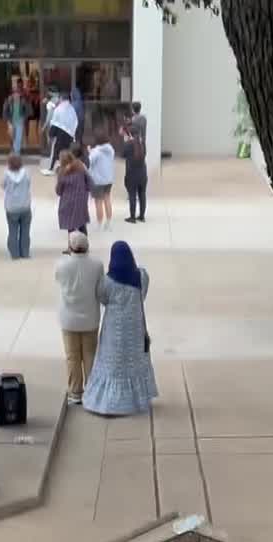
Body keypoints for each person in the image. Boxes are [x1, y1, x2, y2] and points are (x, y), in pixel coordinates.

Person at [83, 241, 158, 416]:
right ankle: (134, 401)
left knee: (113, 363)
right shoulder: (142, 277)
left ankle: (109, 402)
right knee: (133, 362)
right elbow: (142, 294)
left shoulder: (107, 281)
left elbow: (102, 297)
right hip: (135, 329)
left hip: (113, 330)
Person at [55, 231, 104, 404]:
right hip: (90, 318)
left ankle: (75, 392)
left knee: (72, 357)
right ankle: (91, 392)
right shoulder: (97, 265)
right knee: (90, 356)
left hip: (69, 320)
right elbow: (100, 288)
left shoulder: (61, 265)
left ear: (70, 247)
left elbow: (58, 280)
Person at [3, 154, 33, 259]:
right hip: (25, 206)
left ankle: (14, 254)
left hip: (11, 207)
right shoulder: (26, 173)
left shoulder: (6, 174)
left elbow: (3, 185)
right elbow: (29, 184)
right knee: (25, 231)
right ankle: (25, 253)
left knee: (13, 231)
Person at [56, 150, 91, 238]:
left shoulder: (62, 172)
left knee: (70, 225)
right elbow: (89, 181)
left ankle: (72, 244)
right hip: (81, 199)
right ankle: (84, 242)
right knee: (81, 223)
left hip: (68, 201)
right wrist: (85, 191)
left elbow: (59, 190)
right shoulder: (80, 167)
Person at [44, 93, 78, 175]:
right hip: (69, 134)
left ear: (61, 98)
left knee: (55, 152)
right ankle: (67, 168)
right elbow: (75, 122)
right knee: (67, 152)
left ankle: (51, 168)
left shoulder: (58, 109)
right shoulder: (72, 109)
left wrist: (51, 135)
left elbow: (55, 122)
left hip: (59, 134)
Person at [120, 126, 148, 224]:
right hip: (143, 174)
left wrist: (125, 141)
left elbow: (122, 155)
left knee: (132, 195)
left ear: (130, 134)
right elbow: (144, 154)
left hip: (131, 174)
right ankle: (142, 216)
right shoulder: (142, 143)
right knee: (142, 194)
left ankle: (132, 217)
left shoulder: (128, 144)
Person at [88, 132, 115, 230]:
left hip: (98, 181)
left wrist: (89, 152)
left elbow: (89, 162)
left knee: (98, 202)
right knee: (107, 199)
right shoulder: (111, 149)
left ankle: (99, 223)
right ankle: (109, 223)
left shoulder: (96, 152)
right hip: (109, 179)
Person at [3, 78, 31, 155]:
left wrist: (24, 117)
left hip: (20, 121)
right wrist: (6, 119)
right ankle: (13, 149)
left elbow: (28, 109)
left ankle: (16, 152)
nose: (16, 94)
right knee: (12, 136)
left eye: (17, 93)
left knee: (18, 137)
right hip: (11, 121)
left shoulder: (23, 100)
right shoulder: (9, 100)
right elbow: (5, 110)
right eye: (15, 92)